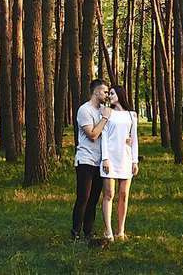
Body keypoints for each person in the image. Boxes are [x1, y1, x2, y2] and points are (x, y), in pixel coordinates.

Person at [71, 79, 110, 243]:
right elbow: (93, 135)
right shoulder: (84, 110)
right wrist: (104, 119)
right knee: (83, 197)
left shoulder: (104, 110)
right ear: (95, 92)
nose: (107, 95)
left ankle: (88, 232)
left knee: (94, 199)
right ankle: (75, 233)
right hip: (85, 160)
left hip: (99, 162)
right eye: (104, 92)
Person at [98, 85, 139, 242]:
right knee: (109, 194)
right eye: (108, 93)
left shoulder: (131, 115)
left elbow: (134, 139)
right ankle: (108, 231)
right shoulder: (108, 114)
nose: (109, 95)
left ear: (121, 94)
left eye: (112, 93)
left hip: (126, 158)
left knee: (124, 194)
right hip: (110, 158)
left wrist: (134, 161)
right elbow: (104, 137)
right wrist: (105, 158)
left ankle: (120, 231)